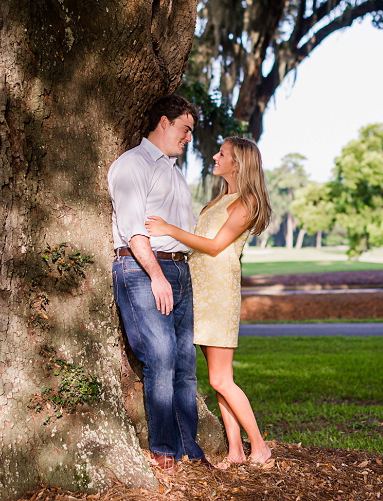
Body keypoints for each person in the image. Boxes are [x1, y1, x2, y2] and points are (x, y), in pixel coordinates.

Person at [144, 136, 273, 468]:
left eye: (222, 154)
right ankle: (236, 450)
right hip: (198, 289)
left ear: (238, 163)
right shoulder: (221, 200)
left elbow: (215, 246)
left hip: (219, 292)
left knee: (221, 379)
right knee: (217, 378)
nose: (215, 156)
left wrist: (167, 229)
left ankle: (259, 447)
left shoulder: (246, 203)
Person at [108, 94, 214, 475]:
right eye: (185, 129)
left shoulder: (172, 170)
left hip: (179, 270)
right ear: (164, 122)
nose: (188, 138)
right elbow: (134, 230)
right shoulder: (132, 165)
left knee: (185, 365)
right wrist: (155, 275)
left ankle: (190, 449)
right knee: (162, 357)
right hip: (142, 269)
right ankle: (163, 448)